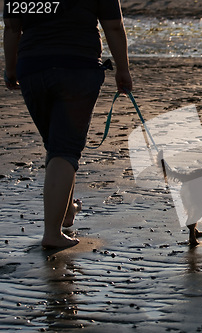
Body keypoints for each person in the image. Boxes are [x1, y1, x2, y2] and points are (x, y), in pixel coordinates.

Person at [3, 0, 133, 249]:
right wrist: (123, 70)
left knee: (57, 144)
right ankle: (52, 233)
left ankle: (66, 212)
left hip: (33, 68)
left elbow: (12, 28)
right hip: (77, 68)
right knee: (64, 148)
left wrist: (11, 69)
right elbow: (114, 27)